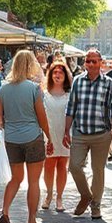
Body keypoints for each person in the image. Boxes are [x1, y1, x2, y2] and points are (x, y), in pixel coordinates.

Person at [0, 50, 54, 223]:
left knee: (16, 178)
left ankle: (4, 212)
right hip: (32, 137)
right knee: (33, 181)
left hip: (12, 138)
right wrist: (49, 137)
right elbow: (41, 116)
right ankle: (31, 222)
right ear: (30, 65)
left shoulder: (4, 88)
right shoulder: (34, 88)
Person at [63, 49, 112, 219]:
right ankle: (86, 195)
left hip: (101, 133)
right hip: (80, 132)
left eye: (94, 61)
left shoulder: (109, 82)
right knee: (74, 166)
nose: (91, 64)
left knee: (98, 170)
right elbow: (71, 107)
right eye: (88, 61)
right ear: (85, 63)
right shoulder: (77, 81)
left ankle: (96, 205)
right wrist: (66, 130)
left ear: (101, 62)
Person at [42, 61, 73, 212]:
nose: (58, 75)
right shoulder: (44, 94)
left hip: (65, 133)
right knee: (48, 166)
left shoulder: (70, 95)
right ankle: (48, 194)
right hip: (49, 134)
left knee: (62, 166)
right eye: (55, 72)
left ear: (65, 76)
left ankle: (59, 197)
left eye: (61, 72)